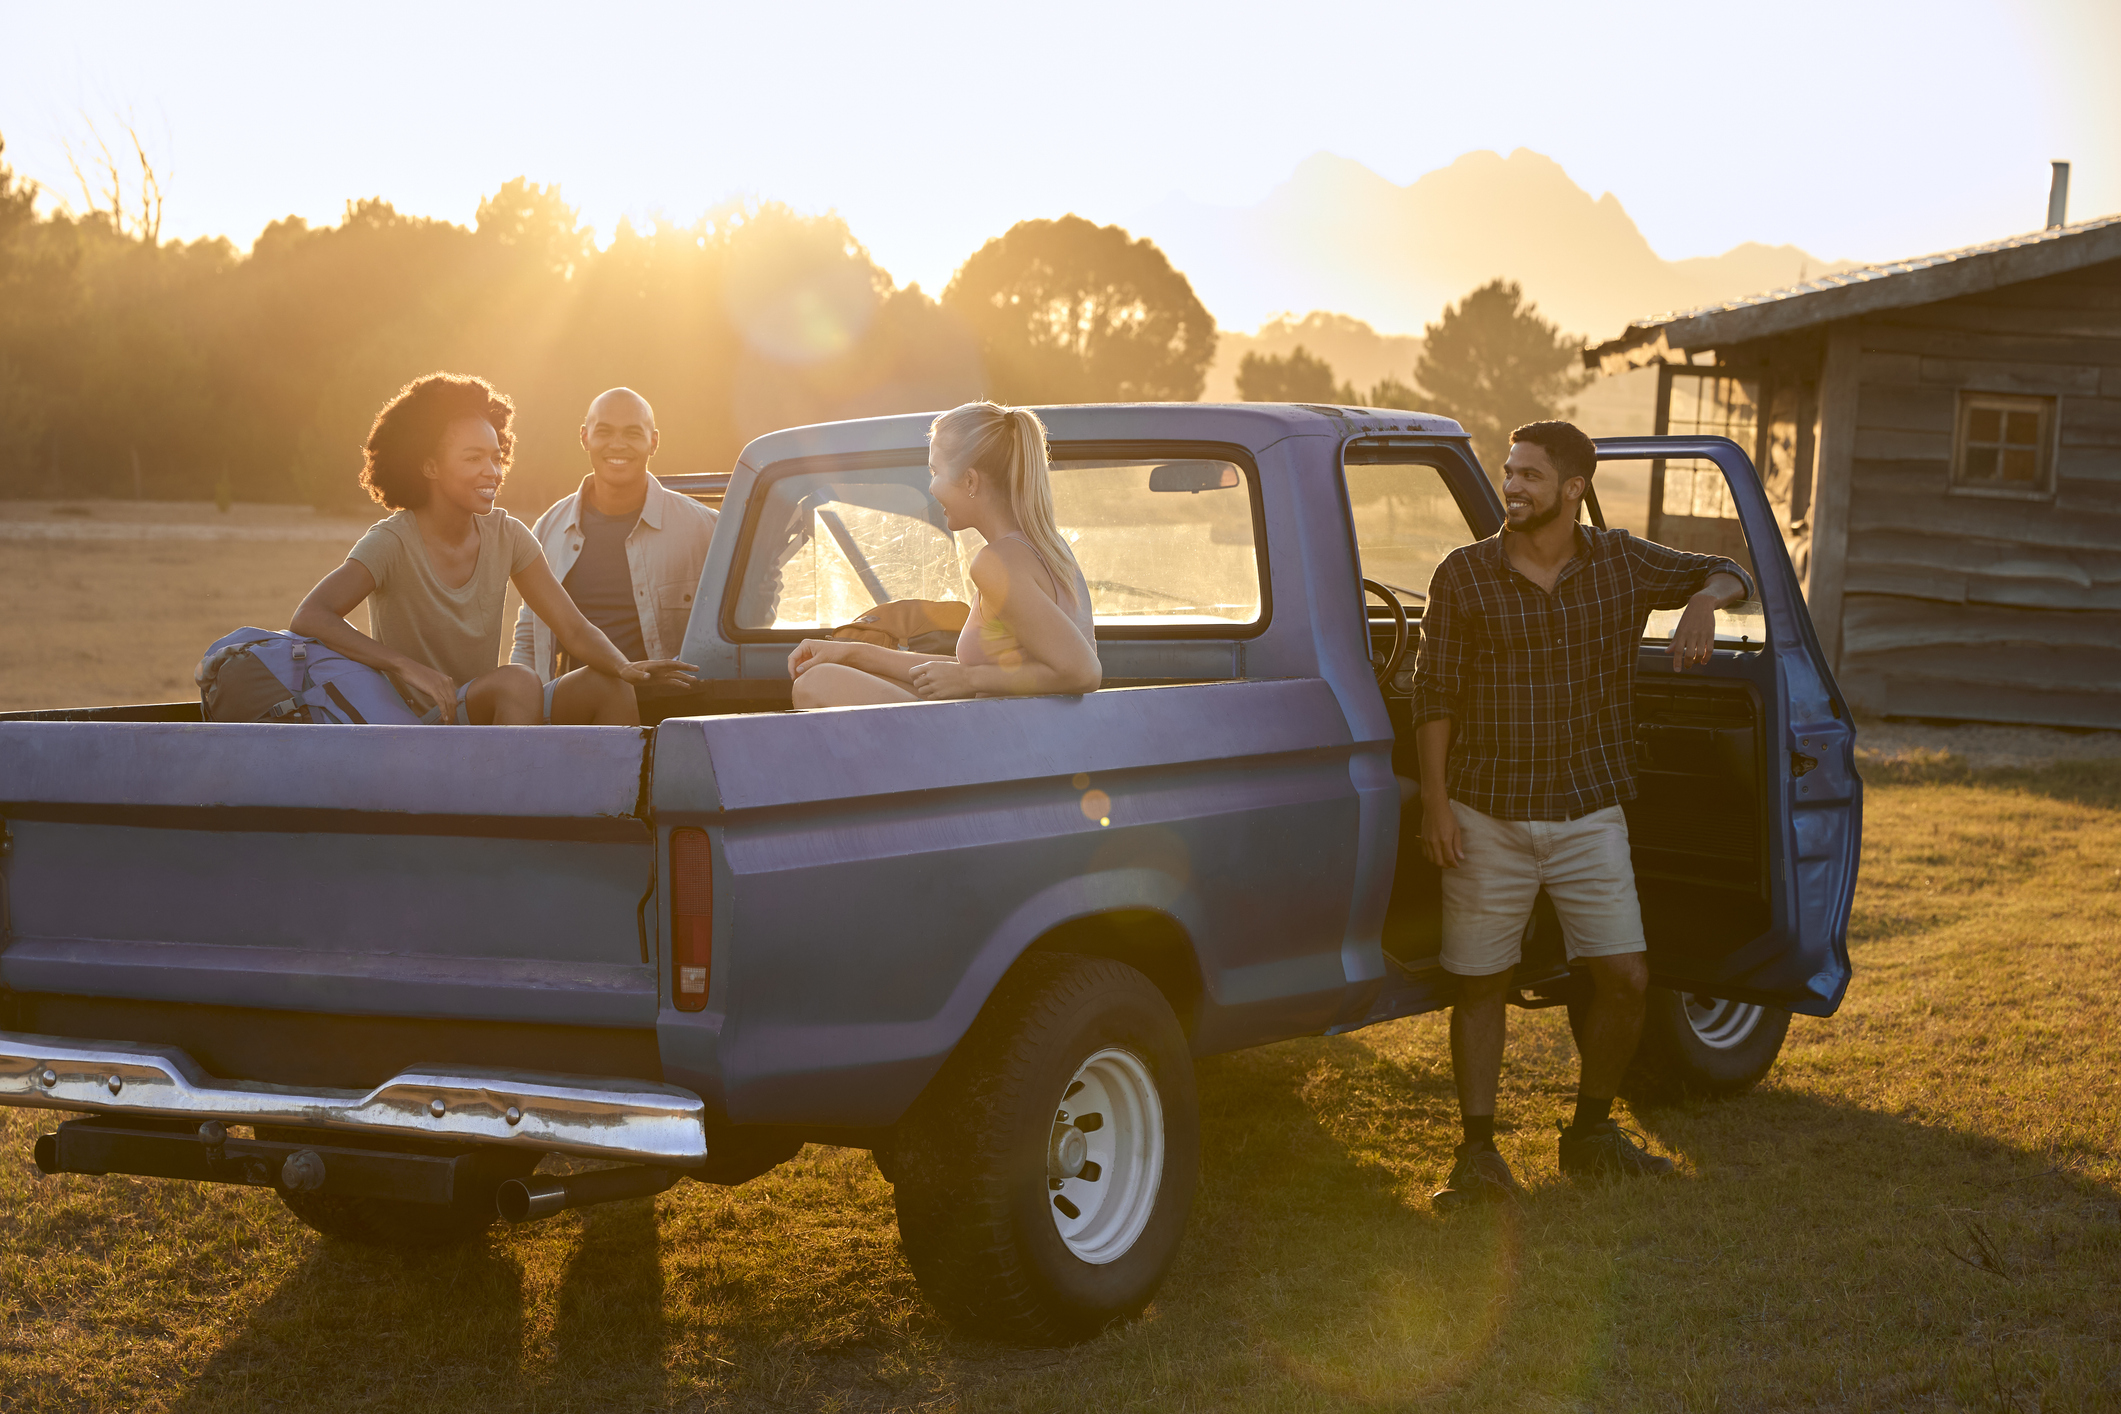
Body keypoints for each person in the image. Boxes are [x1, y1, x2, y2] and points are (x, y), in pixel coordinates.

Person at [1411, 420, 1753, 1207]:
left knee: (1626, 978)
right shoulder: (1462, 575)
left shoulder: (1621, 562)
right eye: (1508, 472)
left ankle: (1590, 1132)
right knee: (1480, 984)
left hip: (1587, 810)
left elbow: (1728, 569)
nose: (1512, 487)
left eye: (1529, 475)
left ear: (1572, 489)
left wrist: (1702, 602)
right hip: (1485, 810)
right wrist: (1436, 804)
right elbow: (1434, 697)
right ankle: (1476, 1154)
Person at [291, 373, 698, 725]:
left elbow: (573, 629)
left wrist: (625, 667)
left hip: (485, 707)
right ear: (430, 466)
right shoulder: (392, 541)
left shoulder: (508, 534)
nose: (493, 471)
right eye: (474, 458)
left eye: (496, 456)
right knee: (519, 681)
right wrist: (404, 666)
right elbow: (311, 615)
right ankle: (519, 813)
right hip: (422, 719)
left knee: (608, 685)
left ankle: (610, 816)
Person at [786, 402, 1101, 706]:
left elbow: (1083, 672)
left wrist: (970, 680)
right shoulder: (1048, 547)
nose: (932, 487)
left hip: (1001, 743)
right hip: (1010, 729)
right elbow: (966, 671)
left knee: (817, 684)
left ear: (970, 480)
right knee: (832, 674)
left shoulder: (997, 562)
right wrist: (851, 653)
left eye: (935, 471)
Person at [511, 386, 719, 721]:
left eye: (632, 434)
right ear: (584, 437)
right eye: (604, 432)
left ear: (653, 441)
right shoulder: (548, 527)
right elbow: (529, 637)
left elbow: (752, 600)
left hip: (673, 714)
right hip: (577, 716)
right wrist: (521, 718)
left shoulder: (707, 529)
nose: (617, 445)